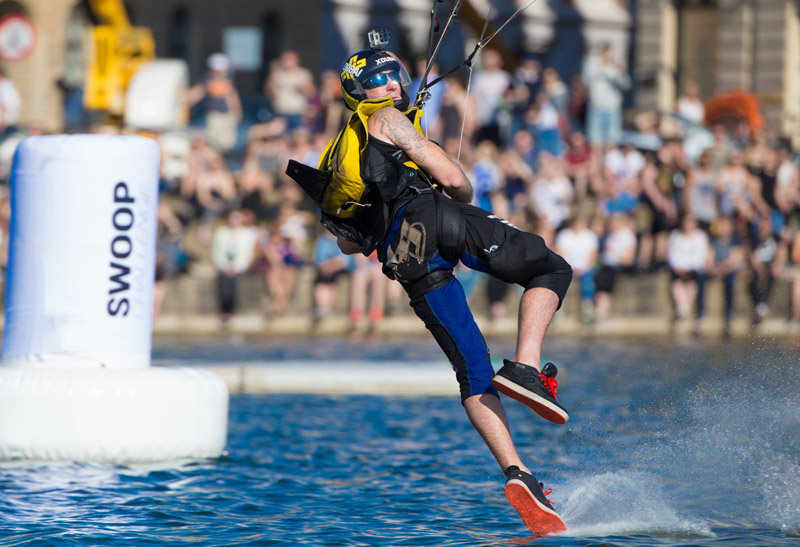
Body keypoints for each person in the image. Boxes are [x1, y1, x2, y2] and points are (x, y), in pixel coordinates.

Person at [287, 39, 572, 535]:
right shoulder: (386, 119)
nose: (390, 84)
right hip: (436, 221)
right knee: (551, 270)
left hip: (406, 260)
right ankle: (526, 367)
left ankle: (517, 473)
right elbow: (455, 181)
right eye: (377, 80)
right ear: (358, 92)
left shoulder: (340, 152)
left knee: (472, 371)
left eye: (392, 75)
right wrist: (450, 179)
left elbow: (349, 245)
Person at [185, 53, 243, 154]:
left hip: (227, 116)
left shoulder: (228, 81)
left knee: (228, 143)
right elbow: (197, 93)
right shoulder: (208, 80)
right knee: (215, 142)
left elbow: (233, 98)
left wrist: (237, 113)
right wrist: (187, 99)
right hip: (214, 116)